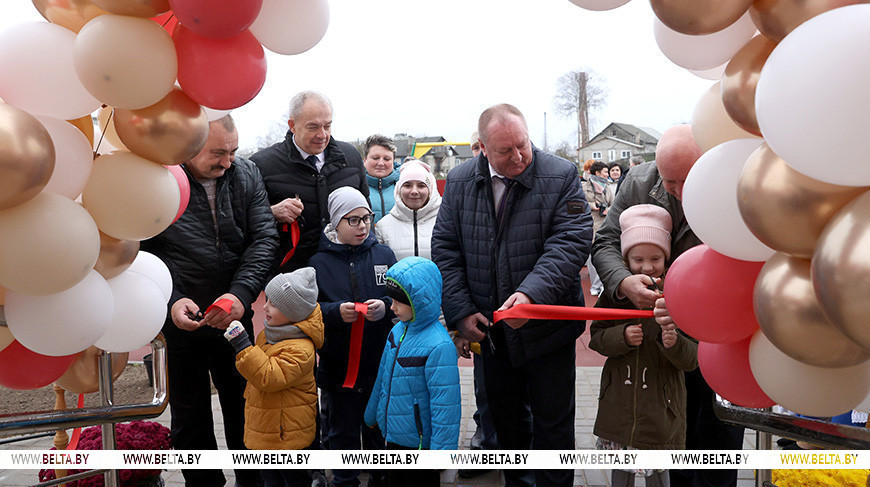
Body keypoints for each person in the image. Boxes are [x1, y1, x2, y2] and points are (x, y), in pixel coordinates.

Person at [432, 103, 593, 487]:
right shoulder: (458, 181)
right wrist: (461, 311)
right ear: (483, 147)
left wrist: (530, 297)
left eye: (523, 145)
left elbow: (570, 242)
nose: (519, 156)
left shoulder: (561, 174)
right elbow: (446, 249)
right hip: (492, 333)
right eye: (505, 150)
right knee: (508, 429)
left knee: (553, 430)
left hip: (547, 330)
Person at [591, 125, 745, 487]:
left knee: (720, 432)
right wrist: (623, 281)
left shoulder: (732, 182)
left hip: (719, 330)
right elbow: (606, 243)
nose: (677, 191)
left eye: (686, 179)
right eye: (669, 181)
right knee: (675, 432)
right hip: (662, 341)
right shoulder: (638, 182)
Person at [140, 115, 277, 487]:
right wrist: (173, 299)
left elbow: (264, 239)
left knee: (245, 409)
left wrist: (241, 294)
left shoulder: (246, 174)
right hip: (180, 320)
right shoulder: (158, 178)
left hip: (233, 315)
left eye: (233, 151)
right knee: (189, 417)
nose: (228, 161)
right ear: (190, 143)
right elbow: (144, 249)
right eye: (218, 152)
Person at [589, 204, 698, 487]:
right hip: (619, 408)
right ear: (626, 259)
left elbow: (693, 359)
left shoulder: (678, 294)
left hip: (662, 409)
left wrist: (672, 342)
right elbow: (596, 336)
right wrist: (621, 337)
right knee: (620, 474)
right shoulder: (617, 295)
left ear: (667, 257)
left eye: (655, 258)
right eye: (637, 259)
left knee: (659, 477)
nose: (647, 267)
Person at [309, 187, 396, 487]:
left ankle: (380, 476)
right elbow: (311, 309)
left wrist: (384, 307)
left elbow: (398, 299)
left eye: (366, 218)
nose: (362, 226)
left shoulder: (383, 254)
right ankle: (344, 478)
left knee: (375, 425)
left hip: (377, 360)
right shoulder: (318, 263)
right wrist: (335, 311)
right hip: (338, 364)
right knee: (342, 428)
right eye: (353, 220)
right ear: (335, 223)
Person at [365, 256, 461, 487]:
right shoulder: (397, 332)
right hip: (393, 435)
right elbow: (383, 378)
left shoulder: (439, 345)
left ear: (419, 301)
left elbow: (445, 405)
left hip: (420, 444)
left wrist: (441, 452)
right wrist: (372, 413)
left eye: (399, 302)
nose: (392, 307)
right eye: (391, 300)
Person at [223, 267, 324, 487]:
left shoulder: (301, 349)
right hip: (268, 429)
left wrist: (243, 345)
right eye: (267, 300)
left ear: (293, 312)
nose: (265, 307)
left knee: (293, 480)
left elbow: (269, 377)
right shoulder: (271, 334)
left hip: (286, 436)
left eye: (274, 304)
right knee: (270, 480)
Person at [251, 91, 368, 274]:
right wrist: (271, 212)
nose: (322, 135)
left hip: (345, 272)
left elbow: (366, 212)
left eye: (327, 126)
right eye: (313, 127)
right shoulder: (262, 165)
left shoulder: (351, 157)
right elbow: (243, 221)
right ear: (292, 125)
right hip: (290, 277)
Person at [374, 160, 441, 260]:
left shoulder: (444, 222)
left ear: (430, 190)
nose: (414, 191)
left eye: (421, 185)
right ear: (399, 190)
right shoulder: (383, 226)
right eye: (407, 185)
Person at [582, 161, 614, 296]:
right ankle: (595, 285)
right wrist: (591, 205)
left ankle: (603, 285)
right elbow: (578, 203)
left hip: (606, 224)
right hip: (591, 224)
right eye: (606, 172)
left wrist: (608, 209)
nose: (608, 174)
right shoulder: (584, 186)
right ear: (597, 173)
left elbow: (614, 203)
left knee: (605, 254)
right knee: (591, 256)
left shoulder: (608, 186)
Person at [363, 134, 400, 223]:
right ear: (365, 160)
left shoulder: (403, 187)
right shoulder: (355, 186)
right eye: (375, 158)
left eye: (387, 159)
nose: (381, 163)